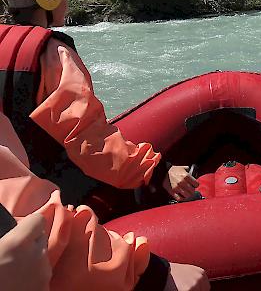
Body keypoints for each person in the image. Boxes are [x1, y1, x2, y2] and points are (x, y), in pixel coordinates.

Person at [0, 0, 198, 217]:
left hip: (9, 192)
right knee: (147, 196)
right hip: (49, 193)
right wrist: (159, 171)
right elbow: (89, 142)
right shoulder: (53, 54)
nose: (68, 4)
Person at [0, 110, 209, 290]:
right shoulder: (49, 62)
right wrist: (150, 275)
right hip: (75, 208)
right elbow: (87, 136)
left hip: (58, 204)